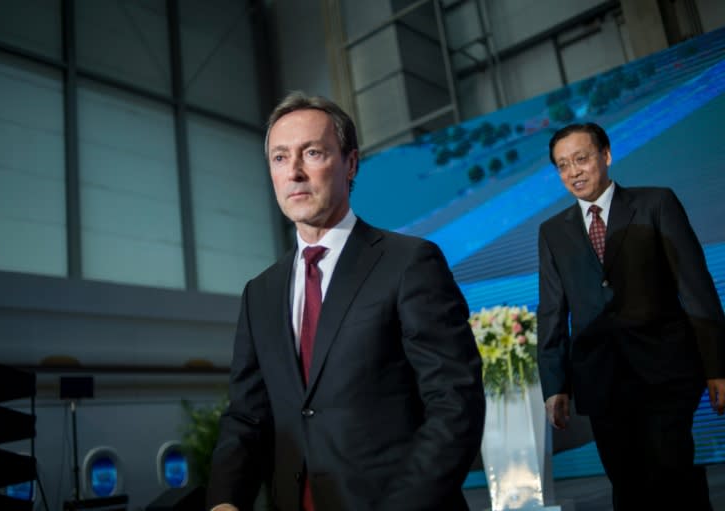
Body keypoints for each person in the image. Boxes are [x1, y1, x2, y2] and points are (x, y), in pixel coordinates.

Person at [206, 92, 485, 511]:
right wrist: (224, 500)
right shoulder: (259, 292)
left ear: (351, 163)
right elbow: (248, 414)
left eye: (312, 153)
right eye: (280, 158)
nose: (294, 173)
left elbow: (455, 403)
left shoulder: (410, 262)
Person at [537, 121, 725, 510]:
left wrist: (717, 365)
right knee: (628, 485)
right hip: (602, 381)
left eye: (581, 159)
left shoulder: (656, 203)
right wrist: (555, 383)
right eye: (562, 165)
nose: (573, 172)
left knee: (672, 477)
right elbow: (552, 310)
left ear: (605, 156)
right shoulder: (552, 231)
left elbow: (695, 287)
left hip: (666, 373)